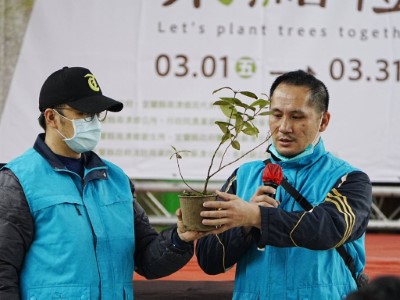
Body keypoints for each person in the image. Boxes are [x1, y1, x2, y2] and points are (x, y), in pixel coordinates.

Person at [0, 66, 205, 299]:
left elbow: (147, 259)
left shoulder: (115, 179)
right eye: (85, 115)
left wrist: (179, 238)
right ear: (51, 117)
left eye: (97, 115)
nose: (94, 123)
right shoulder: (18, 181)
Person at [195, 70, 372, 299]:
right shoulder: (243, 176)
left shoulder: (350, 179)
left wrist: (256, 217)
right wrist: (245, 227)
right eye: (276, 115)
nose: (284, 127)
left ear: (323, 121)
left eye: (297, 117)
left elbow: (328, 229)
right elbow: (209, 261)